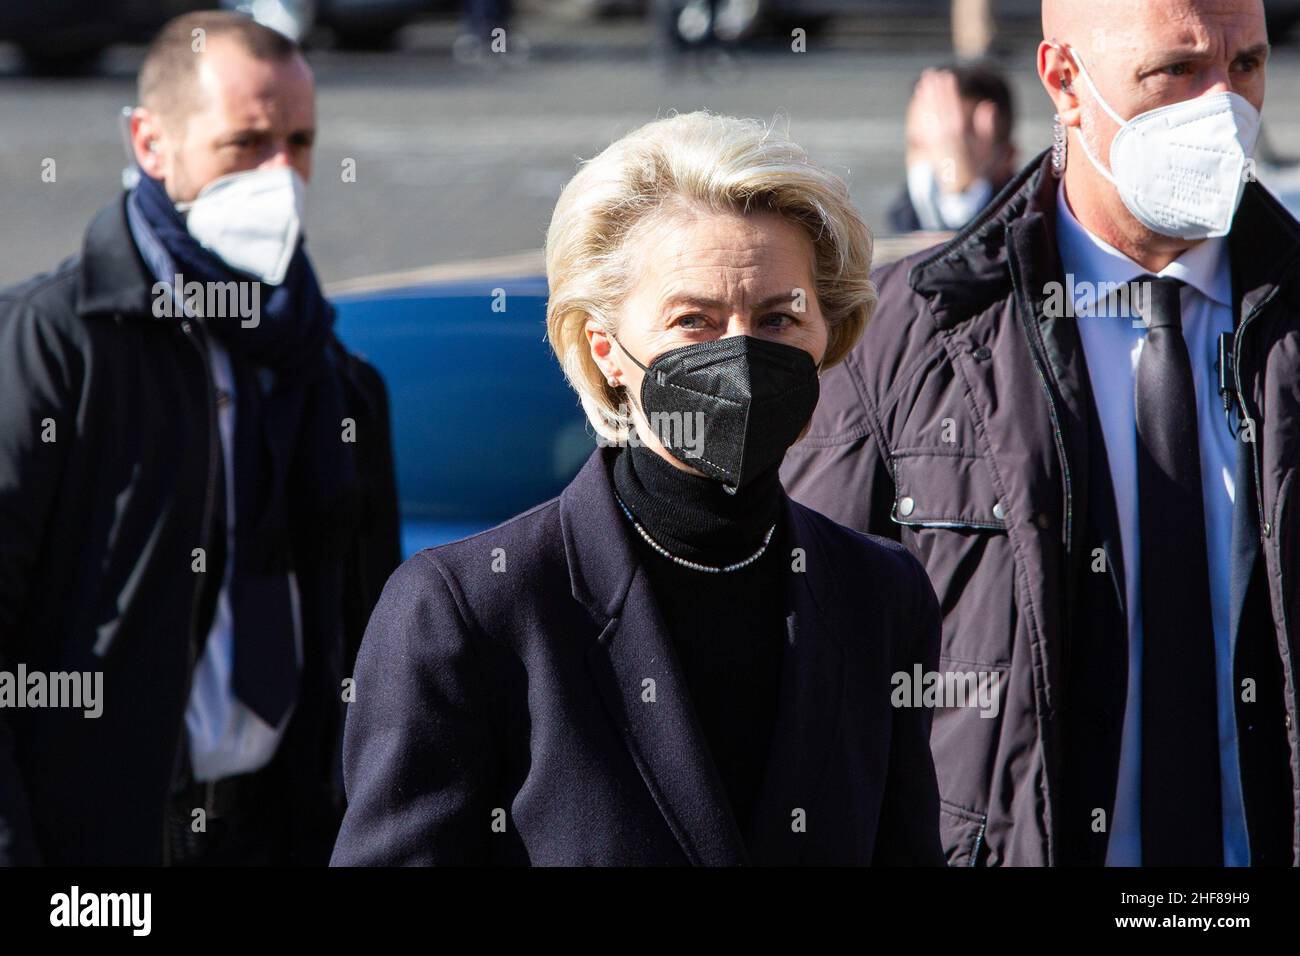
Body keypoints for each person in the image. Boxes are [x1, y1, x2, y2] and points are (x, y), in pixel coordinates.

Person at [331, 112, 946, 866]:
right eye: (693, 320)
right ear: (606, 351)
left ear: (830, 335)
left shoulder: (878, 595)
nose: (741, 354)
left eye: (778, 318)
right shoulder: (471, 610)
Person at [783, 0, 1298, 866]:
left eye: (1246, 67)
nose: (1222, 108)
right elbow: (808, 669)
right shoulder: (906, 336)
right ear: (1064, 81)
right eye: (1175, 73)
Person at [0, 12, 400, 865]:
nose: (280, 175)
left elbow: (374, 637)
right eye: (246, 144)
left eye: (299, 142)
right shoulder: (55, 347)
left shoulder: (331, 371)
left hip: (281, 830)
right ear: (151, 143)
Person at [888, 63, 1018, 234]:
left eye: (955, 145)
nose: (936, 157)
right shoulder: (899, 220)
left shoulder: (1027, 221)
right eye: (918, 145)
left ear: (1006, 157)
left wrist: (959, 196)